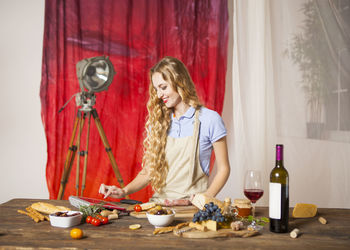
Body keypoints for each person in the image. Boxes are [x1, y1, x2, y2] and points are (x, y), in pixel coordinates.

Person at [99, 56, 230, 205]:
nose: (159, 95)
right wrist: (124, 191)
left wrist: (204, 199)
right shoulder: (159, 123)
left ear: (179, 82)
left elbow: (223, 168)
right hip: (160, 206)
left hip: (191, 208)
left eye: (163, 87)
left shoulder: (210, 119)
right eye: (156, 89)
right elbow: (149, 172)